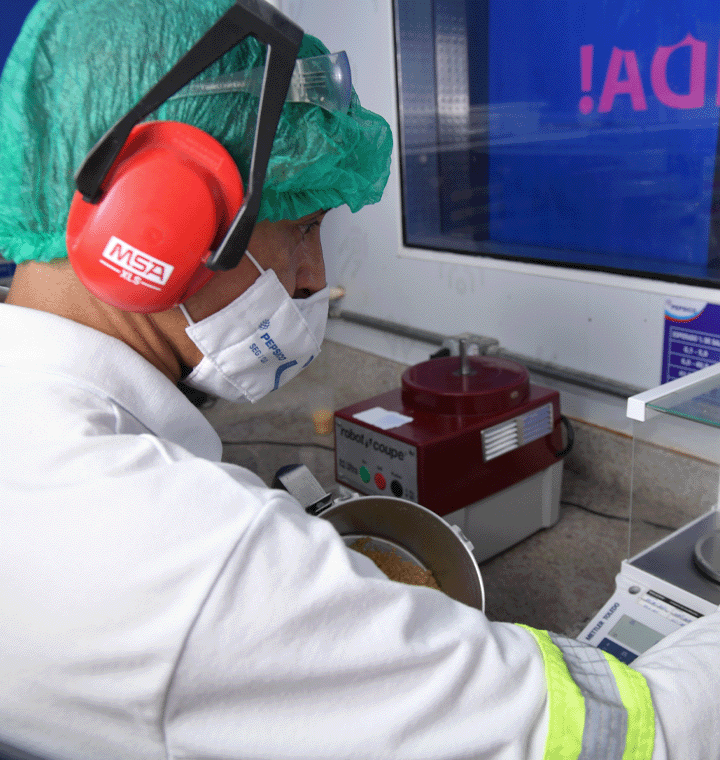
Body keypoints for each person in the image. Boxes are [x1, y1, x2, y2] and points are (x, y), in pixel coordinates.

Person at [0, 1, 719, 759]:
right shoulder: (181, 550)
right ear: (156, 219)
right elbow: (635, 734)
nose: (314, 278)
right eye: (302, 226)